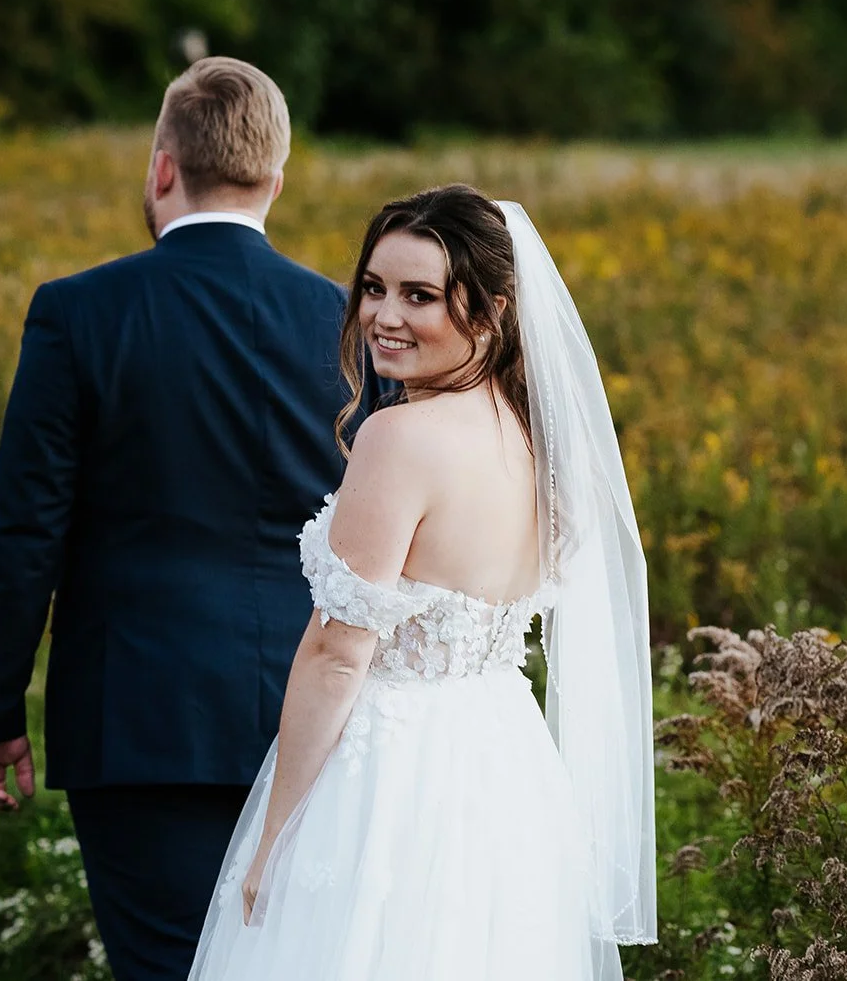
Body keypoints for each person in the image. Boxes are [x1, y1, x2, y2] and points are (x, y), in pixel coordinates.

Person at [0, 57, 384, 981]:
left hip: (137, 720)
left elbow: (27, 529)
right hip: (321, 715)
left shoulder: (78, 313)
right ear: (276, 179)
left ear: (161, 168)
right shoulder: (349, 325)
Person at [188, 185, 657, 981]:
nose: (383, 316)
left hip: (391, 777)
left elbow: (339, 654)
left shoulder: (399, 438)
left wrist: (275, 836)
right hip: (505, 767)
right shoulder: (532, 436)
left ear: (492, 308)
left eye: (420, 295)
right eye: (373, 288)